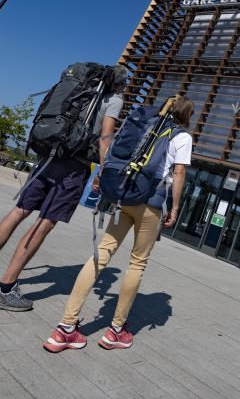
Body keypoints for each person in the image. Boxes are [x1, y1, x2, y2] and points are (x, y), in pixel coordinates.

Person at [0, 64, 129, 311]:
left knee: (19, 211)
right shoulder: (113, 99)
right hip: (74, 167)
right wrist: (104, 171)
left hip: (48, 157)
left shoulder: (80, 91)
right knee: (44, 222)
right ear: (119, 83)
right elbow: (105, 137)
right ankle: (5, 289)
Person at [43, 95, 193, 352]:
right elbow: (178, 173)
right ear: (186, 115)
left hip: (126, 196)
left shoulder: (147, 125)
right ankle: (115, 331)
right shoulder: (182, 136)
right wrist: (175, 207)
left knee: (101, 254)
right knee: (137, 262)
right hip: (153, 203)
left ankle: (65, 328)